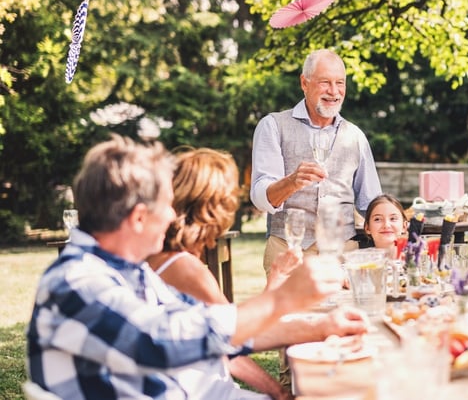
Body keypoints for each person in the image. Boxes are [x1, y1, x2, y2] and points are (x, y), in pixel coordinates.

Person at [27, 135, 347, 399]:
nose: (172, 216)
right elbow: (159, 341)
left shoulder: (130, 273)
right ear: (139, 218)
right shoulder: (75, 280)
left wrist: (322, 327)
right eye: (166, 205)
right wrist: (282, 299)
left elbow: (214, 330)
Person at [147, 148, 366, 398]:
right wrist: (280, 394)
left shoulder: (164, 259)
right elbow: (231, 345)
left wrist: (275, 280)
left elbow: (233, 330)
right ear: (213, 206)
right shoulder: (184, 267)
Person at [250, 49, 382, 280]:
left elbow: (370, 201)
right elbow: (261, 197)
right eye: (325, 83)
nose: (334, 91)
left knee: (344, 315)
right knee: (291, 316)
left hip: (343, 253)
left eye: (340, 83)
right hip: (289, 251)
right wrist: (291, 182)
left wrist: (393, 218)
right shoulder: (272, 126)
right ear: (304, 82)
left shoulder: (355, 136)